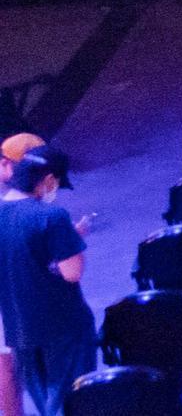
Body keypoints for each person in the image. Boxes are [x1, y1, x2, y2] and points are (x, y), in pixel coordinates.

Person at [0, 148, 92, 416]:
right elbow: (72, 272)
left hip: (19, 330)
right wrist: (73, 243)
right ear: (49, 179)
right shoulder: (52, 217)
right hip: (63, 327)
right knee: (71, 402)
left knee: (46, 405)